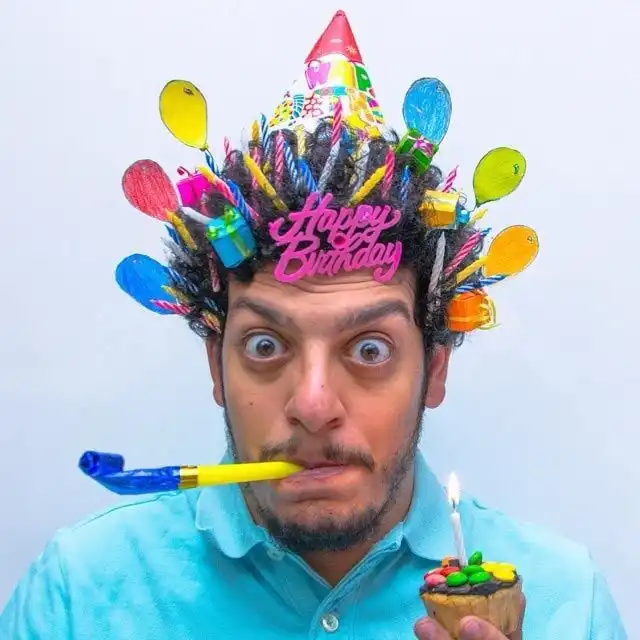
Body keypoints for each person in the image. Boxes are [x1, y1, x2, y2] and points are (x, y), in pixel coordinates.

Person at [0, 10, 627, 640]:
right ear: (216, 363)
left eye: (371, 349)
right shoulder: (78, 597)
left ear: (435, 370)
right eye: (265, 345)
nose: (313, 405)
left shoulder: (567, 604)